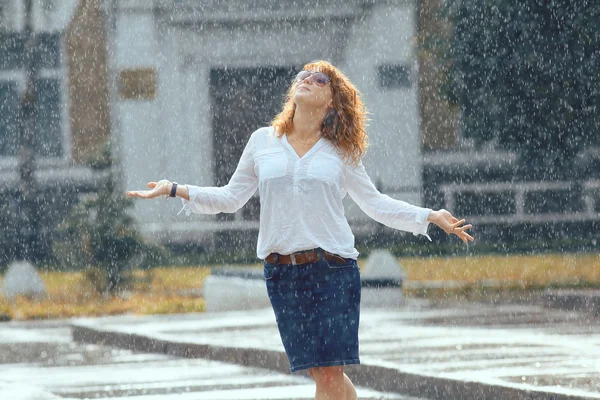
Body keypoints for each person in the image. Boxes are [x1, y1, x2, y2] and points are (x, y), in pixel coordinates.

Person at [126, 60, 474, 400]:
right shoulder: (263, 141)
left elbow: (376, 204)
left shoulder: (341, 152)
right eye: (303, 75)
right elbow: (231, 198)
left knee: (328, 373)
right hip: (282, 274)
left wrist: (430, 215)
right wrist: (176, 189)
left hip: (332, 270)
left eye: (319, 78)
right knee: (322, 373)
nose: (307, 79)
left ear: (333, 100)